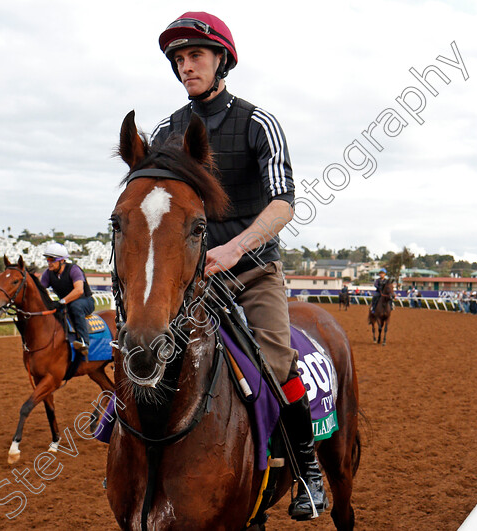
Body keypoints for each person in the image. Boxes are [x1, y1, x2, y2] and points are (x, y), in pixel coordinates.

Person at [150, 12, 325, 520]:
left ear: (222, 60)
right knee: (145, 360)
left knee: (274, 363)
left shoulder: (257, 122)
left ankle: (307, 471)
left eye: (196, 56)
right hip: (189, 284)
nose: (187, 67)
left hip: (252, 275)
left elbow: (283, 204)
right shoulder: (168, 130)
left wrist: (234, 249)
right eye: (179, 60)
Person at [39, 242, 95, 357]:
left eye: (52, 259)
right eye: (47, 259)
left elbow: (79, 290)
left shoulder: (74, 270)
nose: (49, 263)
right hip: (67, 302)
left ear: (62, 261)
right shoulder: (48, 274)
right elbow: (40, 290)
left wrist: (62, 301)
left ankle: (85, 342)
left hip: (85, 301)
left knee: (75, 306)